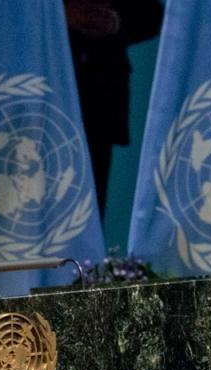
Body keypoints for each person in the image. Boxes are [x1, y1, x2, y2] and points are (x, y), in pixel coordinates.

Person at [65, 0, 163, 216]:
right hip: (29, 89)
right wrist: (60, 15)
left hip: (98, 102)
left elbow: (151, 15)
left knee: (86, 215)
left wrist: (115, 23)